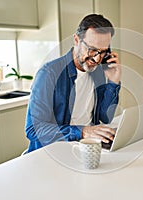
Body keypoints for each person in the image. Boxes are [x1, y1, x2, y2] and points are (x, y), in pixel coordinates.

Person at [25, 14, 121, 153]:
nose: (97, 58)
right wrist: (82, 132)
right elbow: (34, 129)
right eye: (92, 49)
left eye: (103, 52)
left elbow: (105, 117)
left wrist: (113, 82)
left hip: (87, 147)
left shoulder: (97, 71)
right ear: (76, 40)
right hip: (55, 152)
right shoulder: (49, 73)